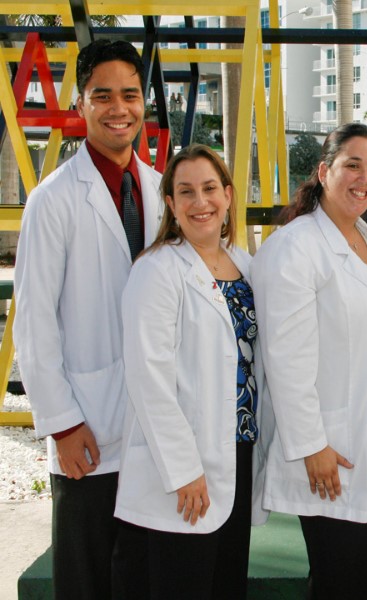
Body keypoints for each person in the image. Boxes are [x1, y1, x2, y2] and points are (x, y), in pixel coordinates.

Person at [13, 39, 161, 599]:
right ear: (80, 103)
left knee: (141, 576)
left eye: (130, 94)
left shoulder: (160, 190)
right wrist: (62, 423)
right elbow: (34, 322)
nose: (118, 108)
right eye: (103, 95)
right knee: (86, 577)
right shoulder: (52, 199)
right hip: (87, 428)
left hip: (154, 427)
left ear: (143, 102)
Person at [251, 123, 367, 599]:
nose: (365, 178)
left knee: (354, 575)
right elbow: (285, 359)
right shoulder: (295, 246)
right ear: (323, 172)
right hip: (325, 448)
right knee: (343, 577)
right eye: (352, 166)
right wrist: (311, 445)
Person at [112, 145, 268, 598]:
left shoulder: (245, 264)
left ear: (228, 195)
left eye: (210, 188)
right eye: (186, 192)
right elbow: (149, 379)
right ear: (171, 203)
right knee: (184, 583)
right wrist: (183, 470)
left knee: (226, 584)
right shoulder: (157, 270)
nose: (201, 202)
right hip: (184, 465)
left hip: (237, 452)